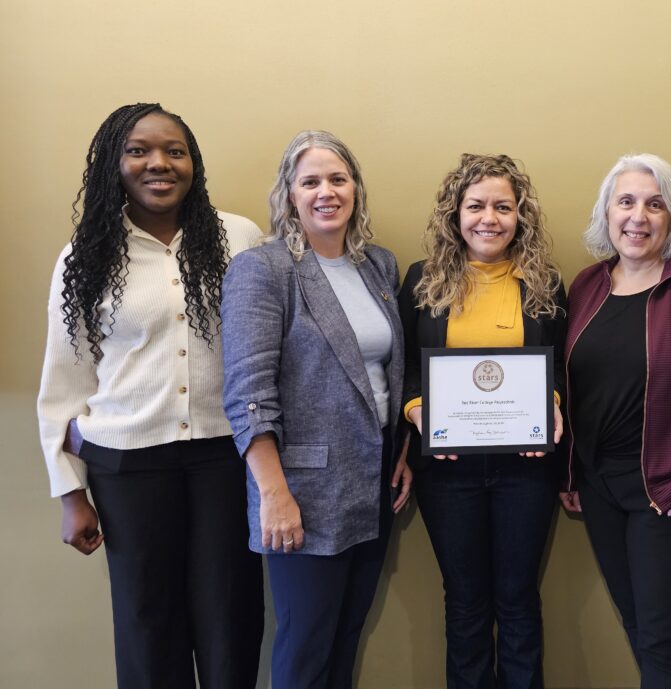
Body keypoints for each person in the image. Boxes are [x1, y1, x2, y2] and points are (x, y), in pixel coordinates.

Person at [37, 102, 264, 688]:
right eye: (138, 151)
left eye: (174, 151)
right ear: (114, 164)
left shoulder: (239, 239)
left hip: (224, 458)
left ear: (194, 163)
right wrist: (70, 492)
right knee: (146, 624)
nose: (158, 163)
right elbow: (65, 382)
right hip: (127, 467)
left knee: (231, 618)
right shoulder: (84, 258)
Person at [220, 130, 411, 689]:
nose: (326, 191)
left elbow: (383, 373)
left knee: (345, 637)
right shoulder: (264, 270)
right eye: (311, 181)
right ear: (290, 194)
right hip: (300, 491)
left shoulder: (379, 265)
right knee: (305, 649)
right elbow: (247, 392)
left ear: (356, 189)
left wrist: (401, 451)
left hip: (371, 481)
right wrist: (274, 495)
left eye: (338, 178)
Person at [398, 153, 566, 689]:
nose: (488, 218)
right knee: (466, 604)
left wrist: (553, 406)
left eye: (502, 207)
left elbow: (560, 367)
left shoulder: (544, 283)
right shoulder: (423, 282)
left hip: (526, 469)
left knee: (518, 599)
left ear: (521, 217)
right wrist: (417, 410)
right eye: (475, 206)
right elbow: (404, 368)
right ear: (455, 213)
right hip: (447, 474)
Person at [559, 154, 671, 689]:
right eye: (626, 202)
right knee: (637, 622)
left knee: (662, 636)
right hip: (599, 485)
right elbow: (571, 388)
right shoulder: (587, 285)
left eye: (655, 204)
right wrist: (570, 474)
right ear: (607, 214)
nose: (639, 216)